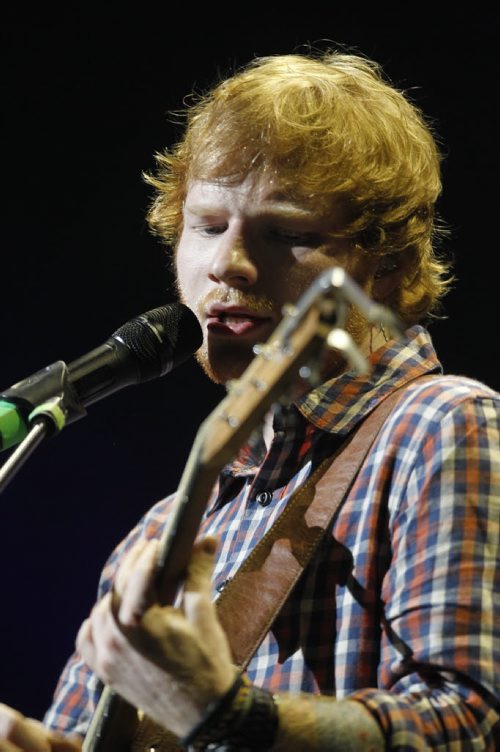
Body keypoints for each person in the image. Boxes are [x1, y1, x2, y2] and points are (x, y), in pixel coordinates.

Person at [2, 48, 499, 751]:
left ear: (384, 266)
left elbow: (470, 725)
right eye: (207, 225)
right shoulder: (163, 530)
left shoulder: (443, 426)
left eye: (287, 235)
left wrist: (233, 715)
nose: (228, 264)